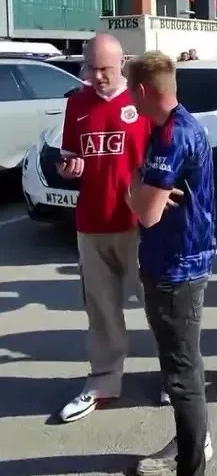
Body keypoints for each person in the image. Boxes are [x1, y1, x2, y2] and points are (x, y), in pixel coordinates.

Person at [124, 52, 215, 476]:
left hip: (177, 270)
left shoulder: (173, 134)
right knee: (181, 368)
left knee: (181, 377)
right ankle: (194, 441)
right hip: (168, 263)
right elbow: (150, 203)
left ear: (141, 91)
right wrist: (144, 190)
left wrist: (136, 189)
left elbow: (146, 210)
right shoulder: (172, 127)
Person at [55, 34, 156, 423]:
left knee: (157, 305)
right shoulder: (76, 104)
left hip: (138, 223)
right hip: (92, 223)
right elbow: (68, 159)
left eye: (105, 69)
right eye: (91, 68)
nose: (96, 76)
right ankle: (104, 379)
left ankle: (173, 374)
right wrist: (68, 169)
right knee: (100, 310)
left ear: (123, 63)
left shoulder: (142, 100)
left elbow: (163, 158)